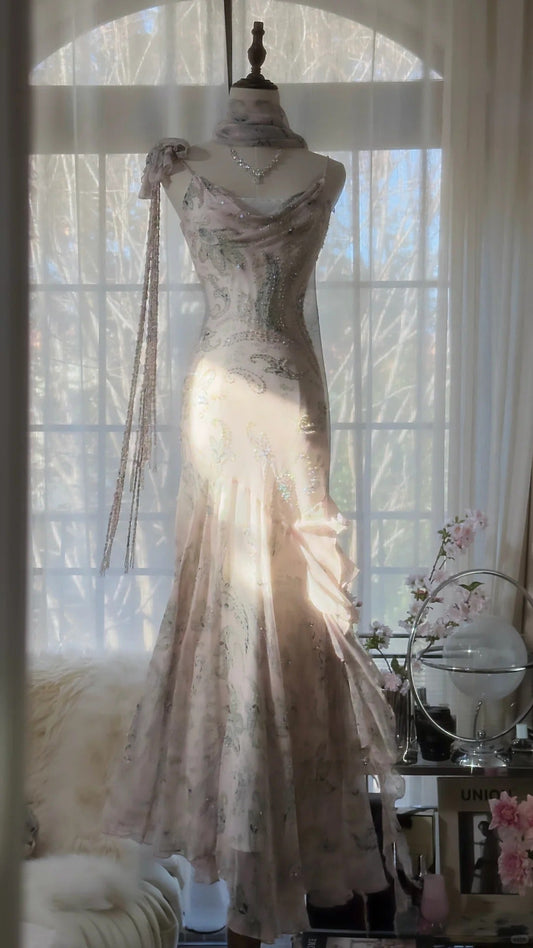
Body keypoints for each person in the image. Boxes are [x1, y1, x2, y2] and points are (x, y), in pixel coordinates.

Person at [102, 43, 405, 947]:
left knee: (292, 601)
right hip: (221, 404)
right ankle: (234, 849)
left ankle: (288, 857)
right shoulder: (180, 167)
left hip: (292, 407)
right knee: (229, 600)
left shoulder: (325, 172)